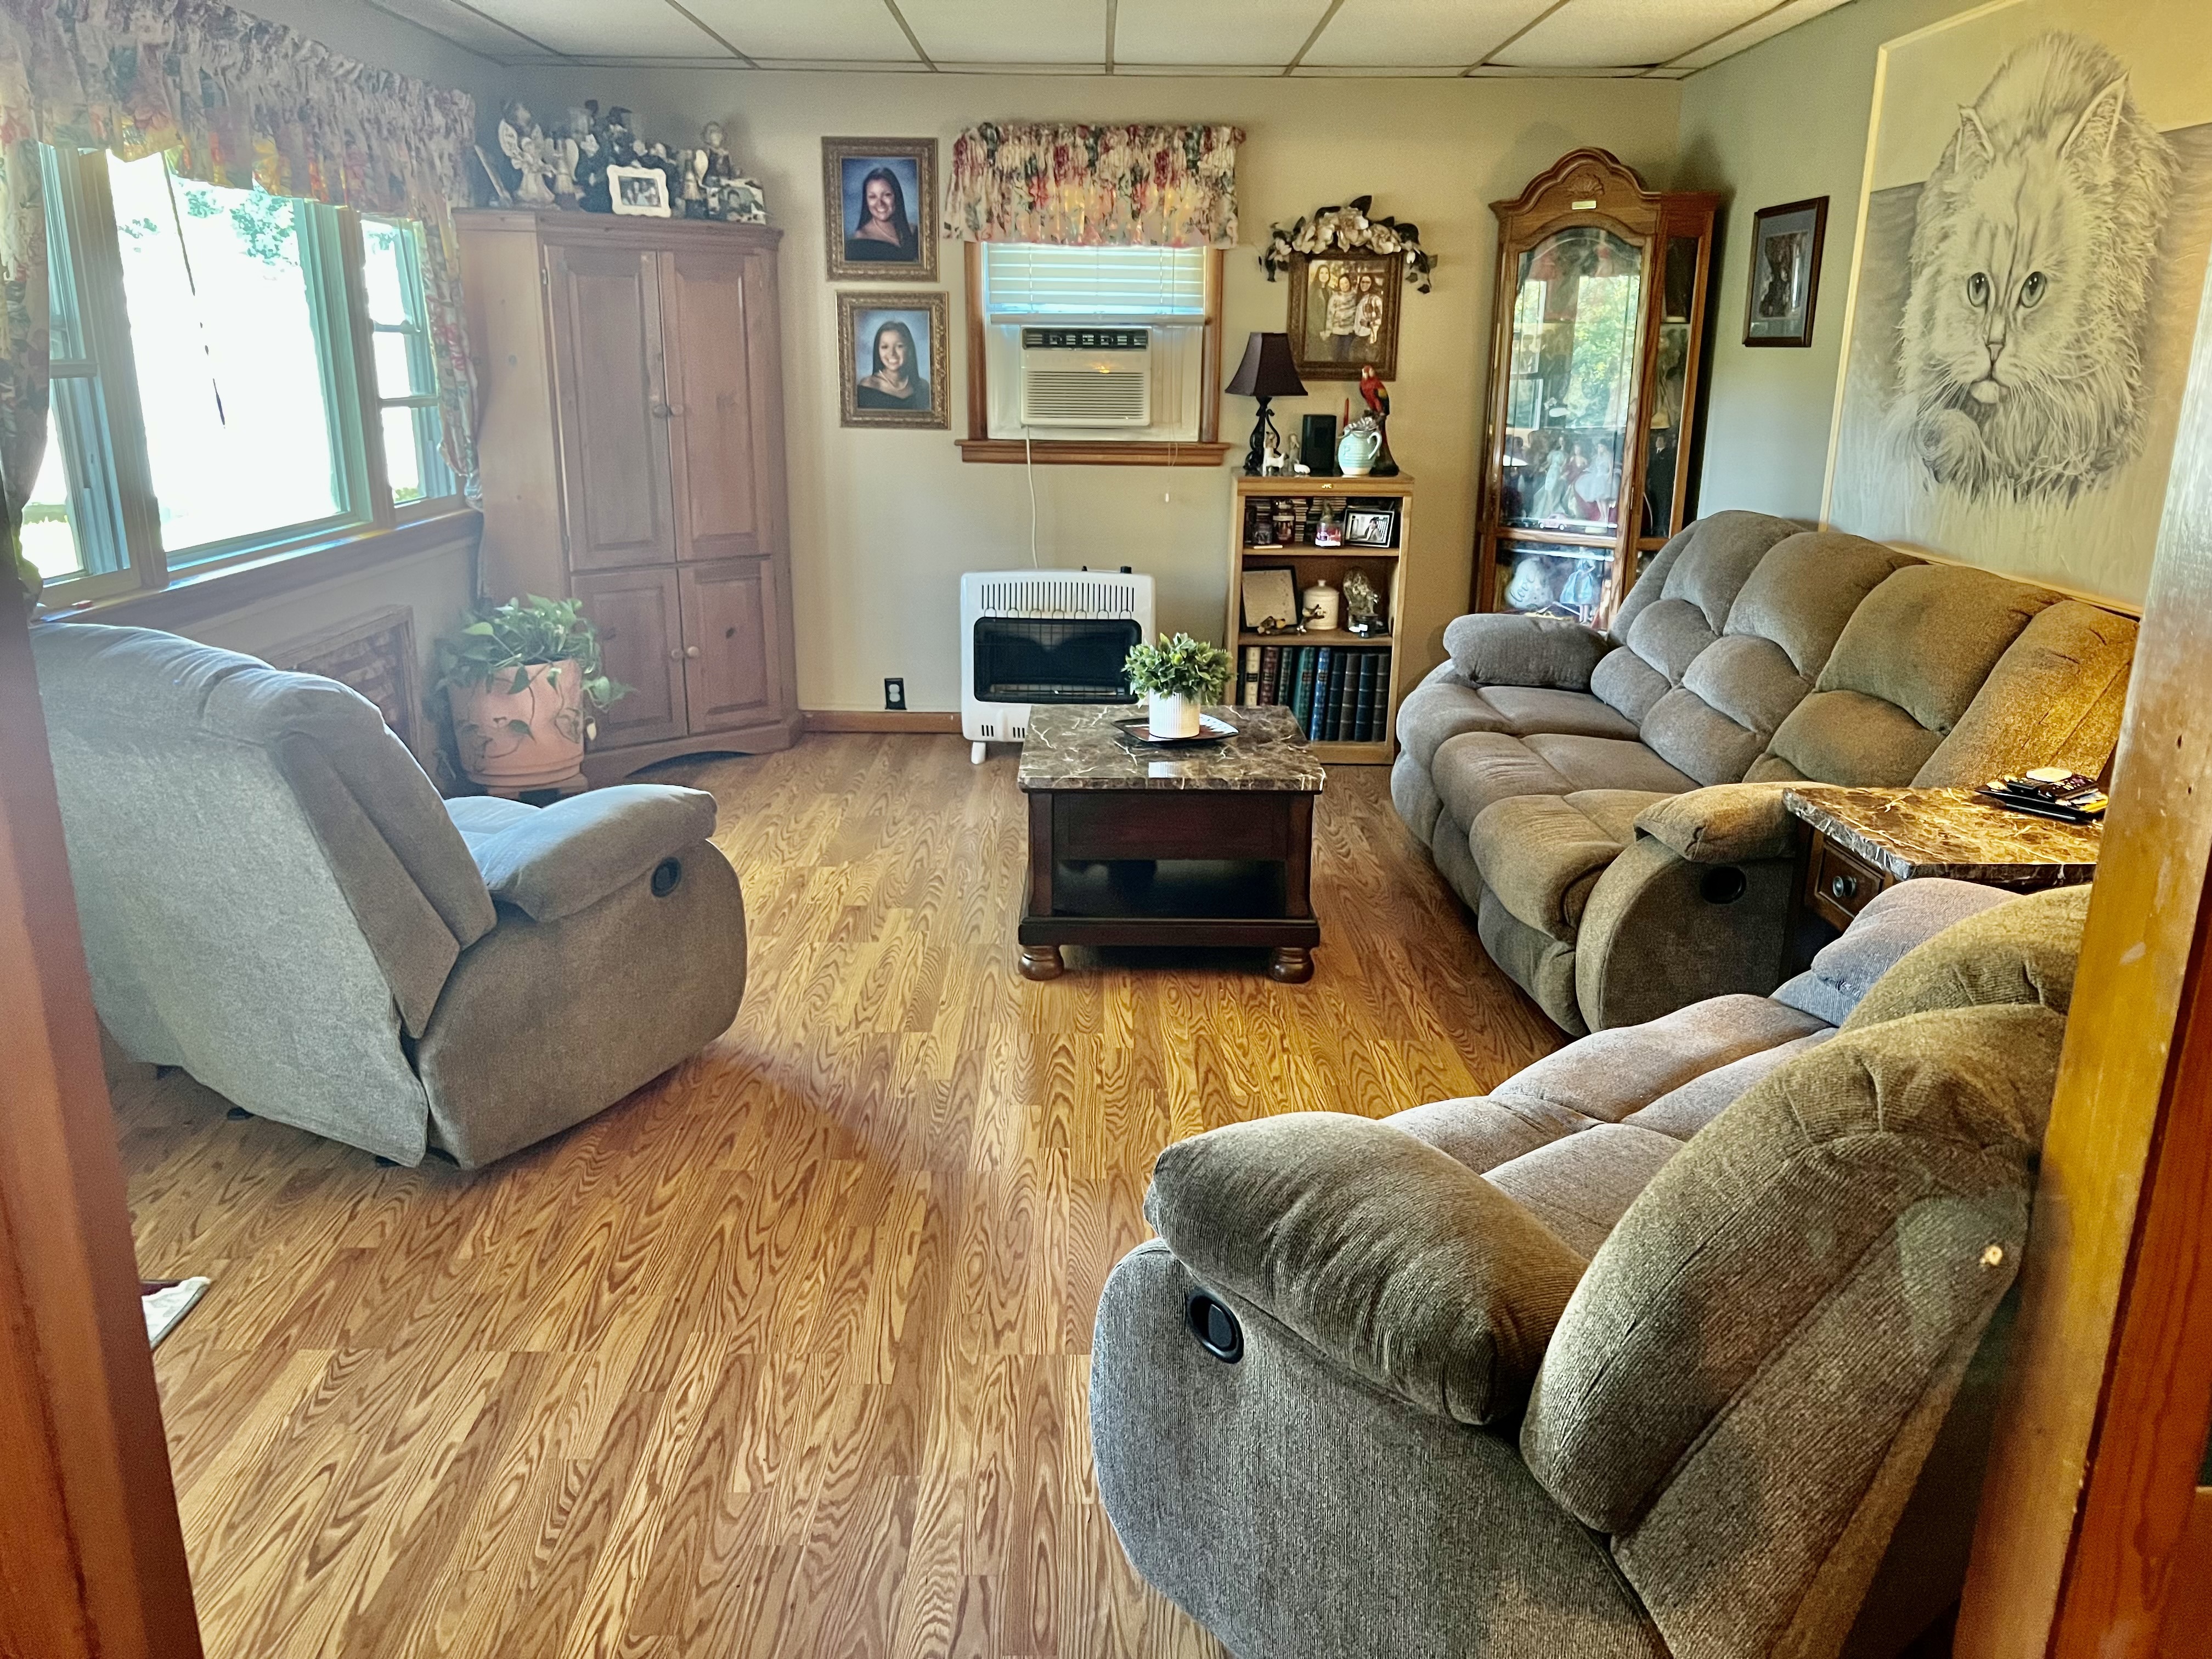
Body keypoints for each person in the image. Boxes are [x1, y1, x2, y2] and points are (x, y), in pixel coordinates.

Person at [845, 165, 918, 263]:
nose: (880, 204)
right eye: (873, 197)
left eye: (887, 195)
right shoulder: (858, 243)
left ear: (897, 196)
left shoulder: (915, 232)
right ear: (866, 201)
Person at [856, 319, 930, 411]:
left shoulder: (923, 387)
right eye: (885, 347)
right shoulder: (866, 388)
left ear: (909, 350)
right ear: (878, 350)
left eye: (899, 346)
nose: (892, 353)